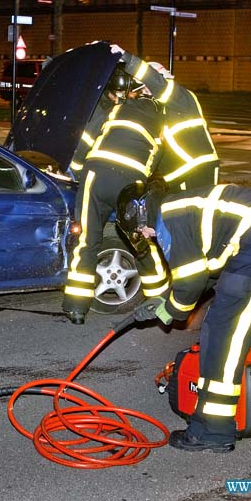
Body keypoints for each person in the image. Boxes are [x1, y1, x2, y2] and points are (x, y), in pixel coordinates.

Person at [118, 181, 251, 453]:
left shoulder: (168, 219)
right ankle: (248, 402)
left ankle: (213, 429)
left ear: (141, 213)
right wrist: (167, 299)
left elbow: (190, 285)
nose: (146, 236)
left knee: (223, 330)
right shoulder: (182, 207)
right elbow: (206, 271)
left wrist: (170, 310)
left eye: (141, 230)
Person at [61, 89, 163, 325]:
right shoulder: (160, 126)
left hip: (95, 174)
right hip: (129, 182)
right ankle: (159, 297)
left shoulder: (117, 109)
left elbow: (88, 137)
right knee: (138, 240)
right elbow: (154, 161)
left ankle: (76, 308)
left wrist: (75, 169)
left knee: (87, 240)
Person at [111, 44, 220, 193]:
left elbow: (157, 84)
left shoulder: (179, 97)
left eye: (145, 89)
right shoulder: (161, 108)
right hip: (181, 173)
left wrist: (128, 60)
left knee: (192, 214)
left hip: (196, 170)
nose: (144, 94)